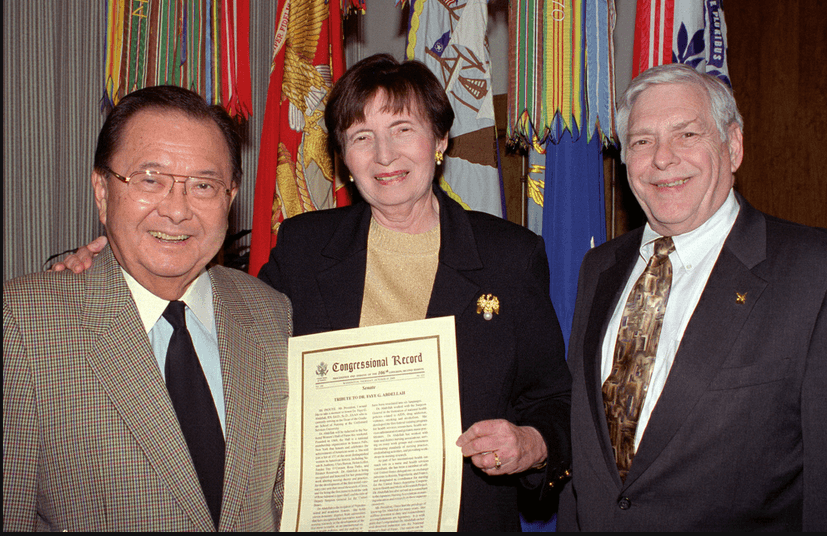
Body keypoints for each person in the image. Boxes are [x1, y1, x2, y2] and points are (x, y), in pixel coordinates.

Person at [55, 55, 573, 532]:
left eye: (402, 130)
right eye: (361, 136)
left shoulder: (510, 257)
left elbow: (554, 400)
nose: (384, 154)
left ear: (438, 142)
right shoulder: (305, 247)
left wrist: (532, 443)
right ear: (344, 157)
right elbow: (228, 321)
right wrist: (116, 264)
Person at [557, 64, 827, 531]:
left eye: (687, 134)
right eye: (641, 141)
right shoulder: (600, 268)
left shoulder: (821, 273)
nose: (662, 159)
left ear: (733, 146)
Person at [3, 86, 293, 531]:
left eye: (203, 185)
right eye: (150, 179)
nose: (177, 211)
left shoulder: (270, 314)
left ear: (230, 198)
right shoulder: (25, 326)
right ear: (102, 191)